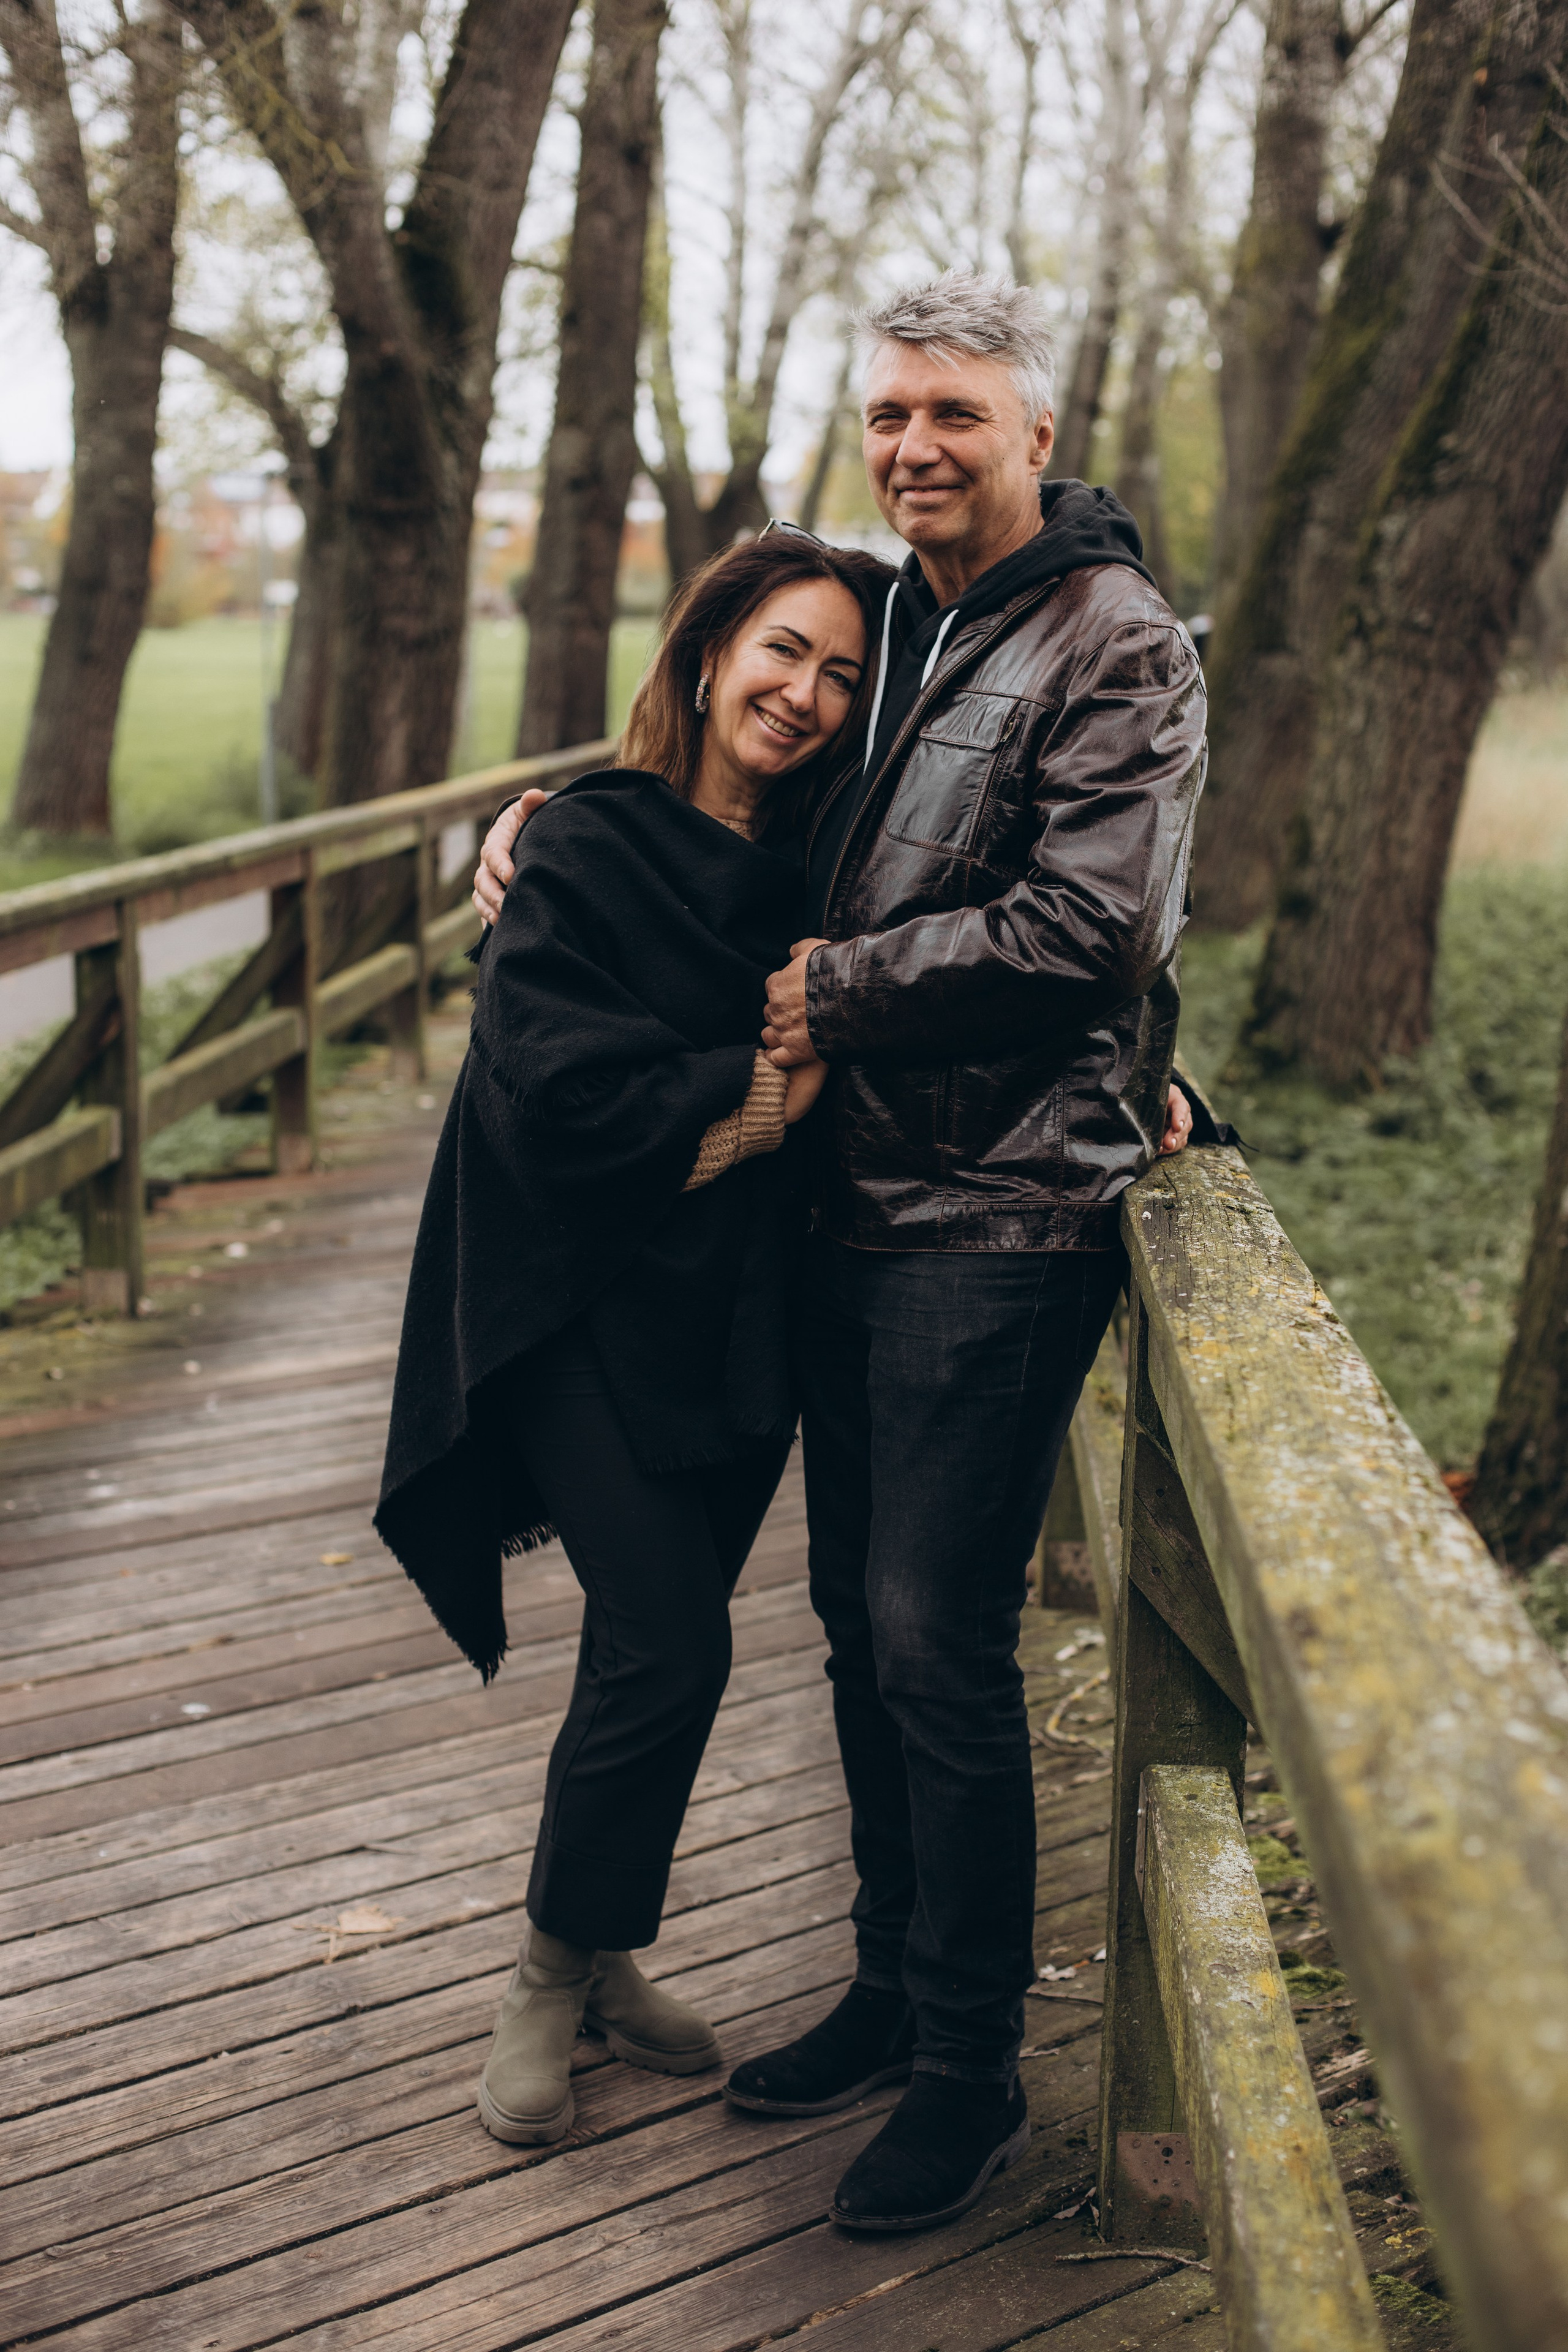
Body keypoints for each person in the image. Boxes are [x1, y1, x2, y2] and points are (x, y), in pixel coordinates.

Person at [472, 270, 1204, 2233]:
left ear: (1038, 435)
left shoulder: (1116, 640)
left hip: (994, 1222)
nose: (916, 448)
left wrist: (835, 992)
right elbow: (741, 737)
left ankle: (967, 2069)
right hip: (844, 1217)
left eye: (956, 415)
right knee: (859, 1642)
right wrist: (548, 816)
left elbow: (1088, 929)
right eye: (891, 416)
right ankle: (888, 1989)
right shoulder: (902, 622)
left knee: (937, 1650)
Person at [376, 530, 894, 2148]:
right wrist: (762, 1100)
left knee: (643, 1648)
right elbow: (553, 1090)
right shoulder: (585, 843)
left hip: (737, 1318)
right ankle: (542, 1977)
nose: (804, 694)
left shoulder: (831, 879)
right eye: (783, 651)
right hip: (569, 1304)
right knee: (676, 1640)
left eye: (844, 678)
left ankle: (597, 1956)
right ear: (708, 648)